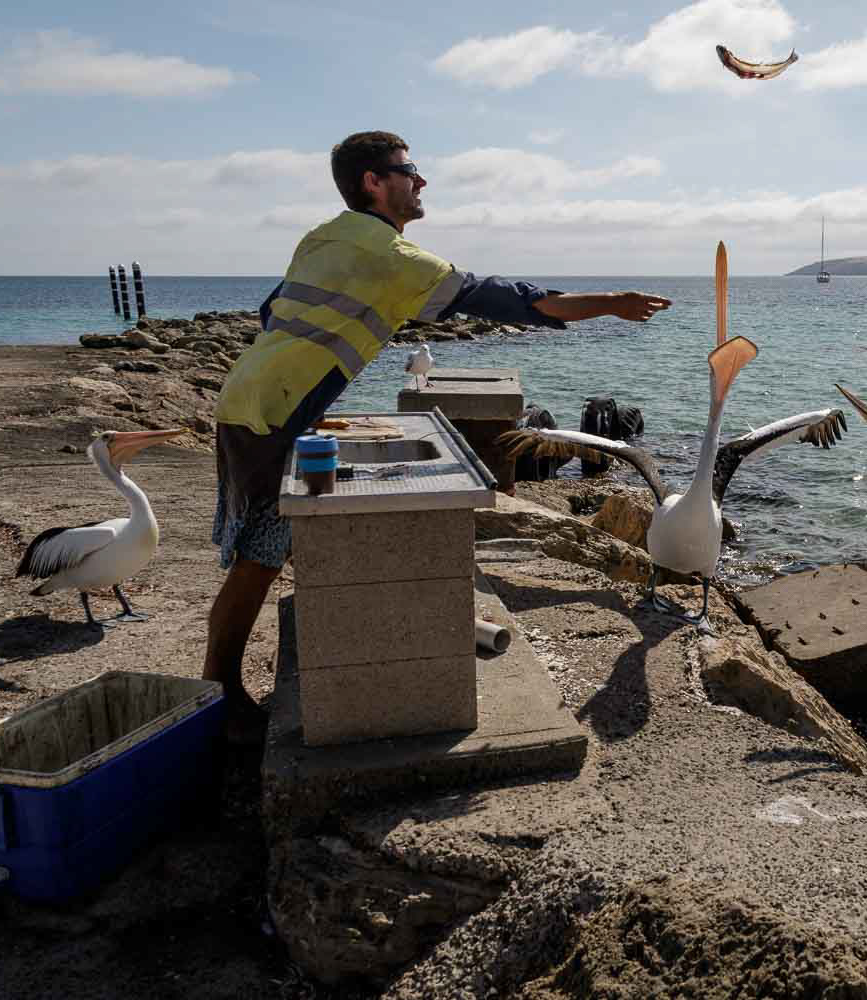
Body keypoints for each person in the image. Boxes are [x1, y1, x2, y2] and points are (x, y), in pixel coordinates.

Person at [204, 130, 671, 743]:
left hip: (253, 396)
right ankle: (221, 696)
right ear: (374, 182)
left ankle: (314, 647)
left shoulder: (323, 237)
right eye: (409, 170)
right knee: (258, 559)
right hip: (274, 413)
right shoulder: (394, 258)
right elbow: (510, 301)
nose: (421, 181)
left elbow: (273, 313)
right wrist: (611, 302)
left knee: (277, 543)